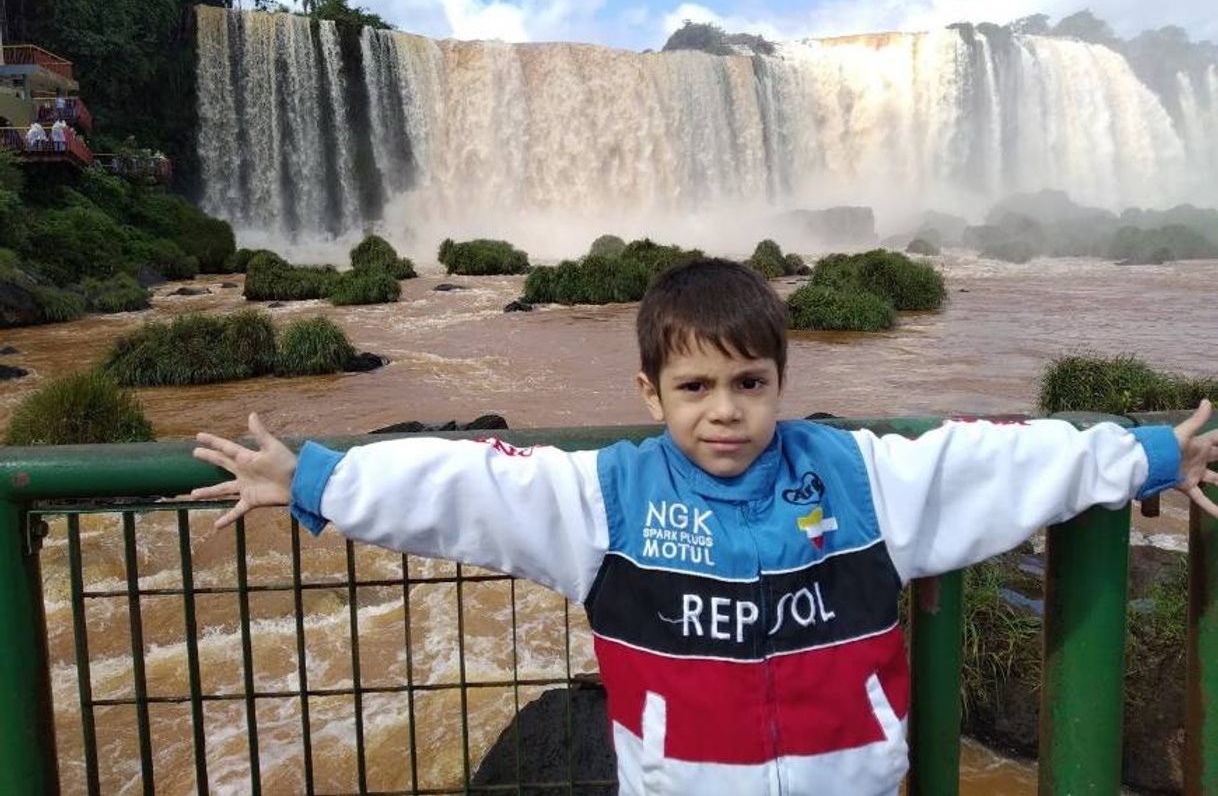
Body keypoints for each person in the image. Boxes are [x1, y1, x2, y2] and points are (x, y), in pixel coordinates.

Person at [191, 258, 1218, 796]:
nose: (724, 410)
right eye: (694, 385)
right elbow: (470, 488)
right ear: (650, 392)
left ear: (781, 381)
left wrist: (1149, 454)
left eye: (748, 382)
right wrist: (319, 478)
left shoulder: (859, 476)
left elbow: (993, 462)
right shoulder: (610, 498)